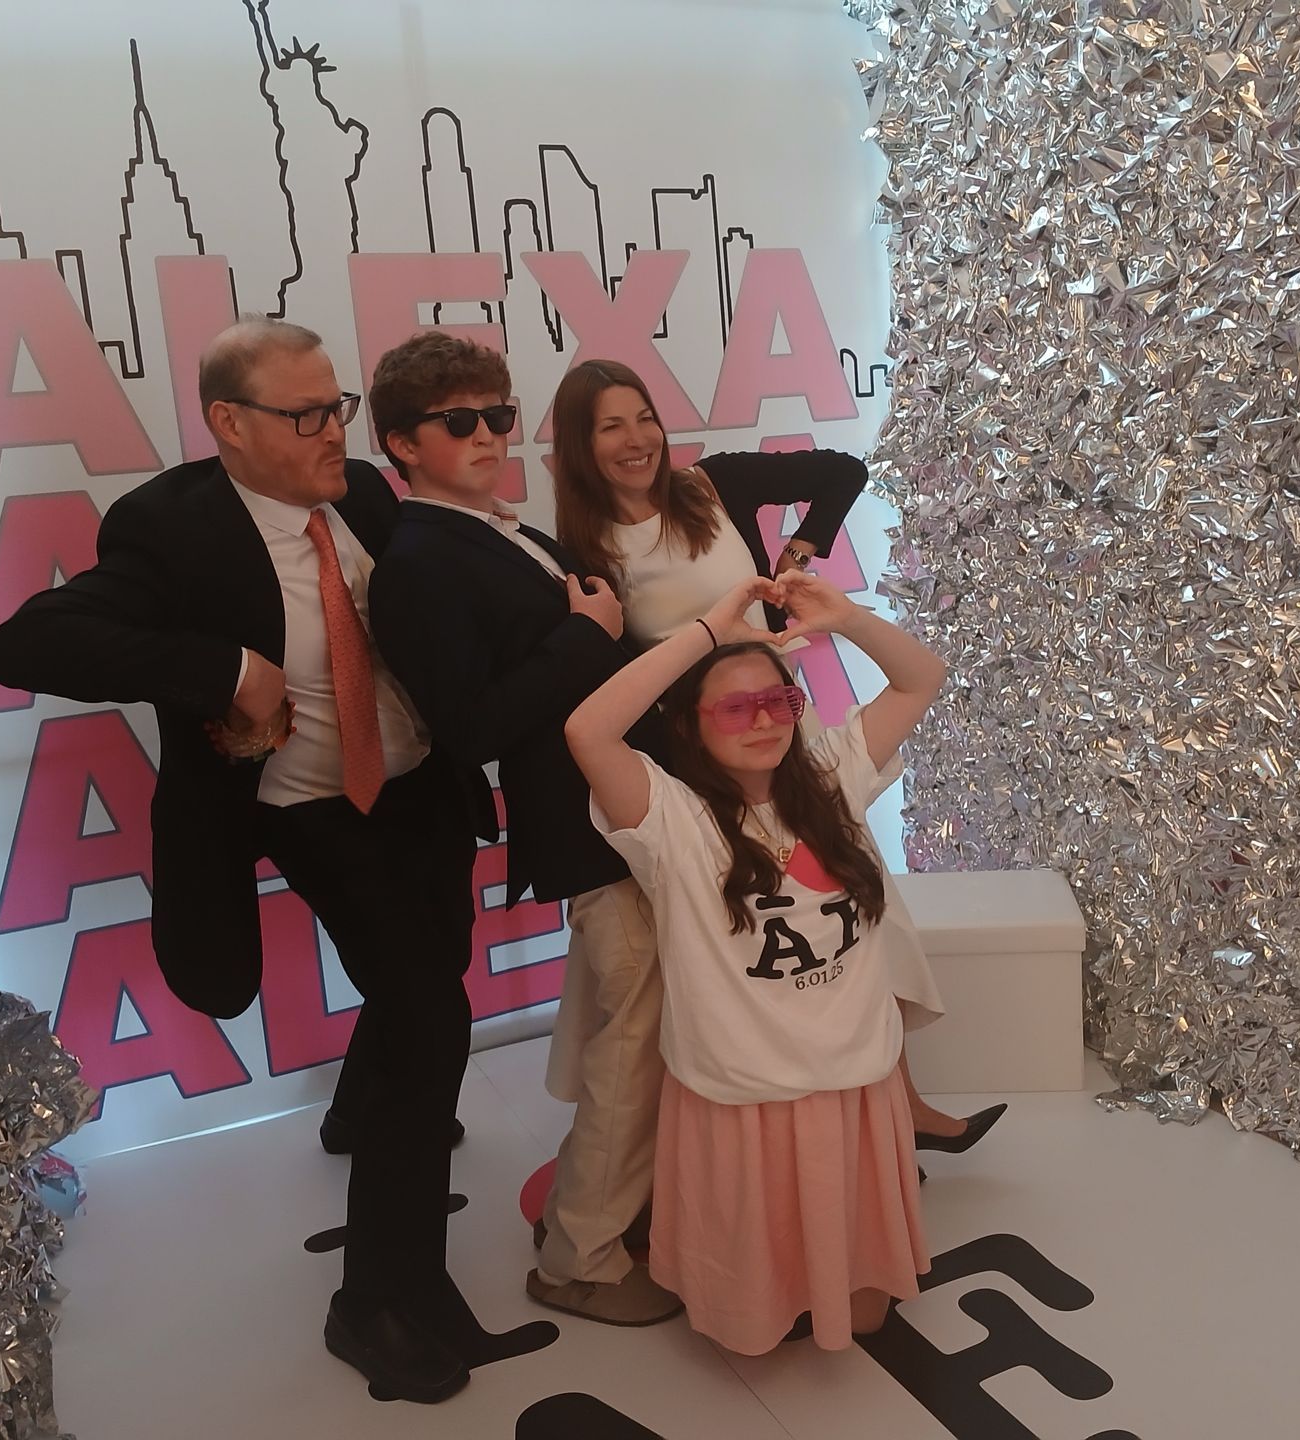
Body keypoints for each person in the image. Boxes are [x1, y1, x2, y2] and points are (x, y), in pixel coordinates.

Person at [0, 319, 538, 1405]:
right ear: (228, 424)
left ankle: (357, 1110)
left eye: (335, 405)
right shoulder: (168, 527)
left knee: (429, 977)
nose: (335, 430)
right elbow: (28, 643)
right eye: (306, 414)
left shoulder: (372, 499)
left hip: (417, 782)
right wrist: (218, 666)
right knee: (431, 1020)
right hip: (307, 803)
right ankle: (378, 1298)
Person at [550, 359, 1005, 1152]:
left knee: (859, 894)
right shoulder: (580, 549)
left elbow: (841, 472)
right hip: (696, 758)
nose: (635, 441)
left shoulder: (711, 485)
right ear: (581, 447)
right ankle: (831, 1106)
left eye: (643, 417)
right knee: (759, 931)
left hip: (778, 725)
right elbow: (611, 690)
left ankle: (893, 1093)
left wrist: (798, 554)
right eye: (609, 426)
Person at [364, 333, 682, 1327]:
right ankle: (580, 1257)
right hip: (581, 822)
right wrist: (583, 635)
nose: (487, 436)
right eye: (458, 423)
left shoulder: (499, 529)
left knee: (639, 1028)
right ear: (399, 445)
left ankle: (623, 1209)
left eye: (499, 416)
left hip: (632, 805)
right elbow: (468, 730)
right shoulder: (417, 561)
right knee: (633, 1039)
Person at [563, 569, 947, 1353]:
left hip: (854, 1086)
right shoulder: (671, 817)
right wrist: (708, 630)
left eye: (779, 702)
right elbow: (587, 732)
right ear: (691, 725)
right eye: (734, 707)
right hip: (743, 1095)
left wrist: (845, 618)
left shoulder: (833, 777)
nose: (763, 720)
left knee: (865, 1311)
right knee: (759, 1322)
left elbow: (921, 678)